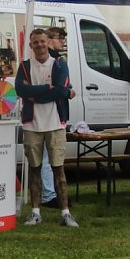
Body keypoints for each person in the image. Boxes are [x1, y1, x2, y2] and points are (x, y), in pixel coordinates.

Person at [16, 28, 78, 227]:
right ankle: (35, 212)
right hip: (31, 124)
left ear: (47, 42)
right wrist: (49, 89)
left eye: (42, 41)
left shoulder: (59, 64)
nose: (40, 45)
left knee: (58, 169)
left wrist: (36, 93)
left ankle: (66, 213)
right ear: (31, 45)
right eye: (36, 42)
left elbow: (61, 89)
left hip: (55, 123)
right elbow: (20, 89)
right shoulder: (25, 66)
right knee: (34, 169)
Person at [37, 27, 76, 209]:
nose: (63, 41)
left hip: (50, 112)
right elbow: (59, 88)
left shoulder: (53, 61)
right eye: (60, 38)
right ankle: (49, 195)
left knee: (49, 157)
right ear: (49, 40)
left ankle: (50, 194)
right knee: (49, 157)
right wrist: (68, 91)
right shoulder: (56, 61)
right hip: (52, 113)